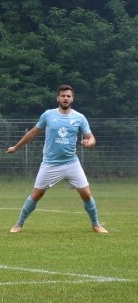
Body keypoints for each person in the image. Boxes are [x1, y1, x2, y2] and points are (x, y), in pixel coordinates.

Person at [6, 84, 108, 233]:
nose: (65, 98)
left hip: (71, 163)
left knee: (86, 194)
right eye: (63, 96)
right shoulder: (48, 115)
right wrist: (16, 147)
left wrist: (89, 143)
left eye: (68, 96)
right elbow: (33, 133)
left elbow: (91, 138)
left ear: (72, 98)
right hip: (50, 164)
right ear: (58, 98)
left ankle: (96, 225)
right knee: (36, 194)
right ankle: (19, 224)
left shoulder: (79, 118)